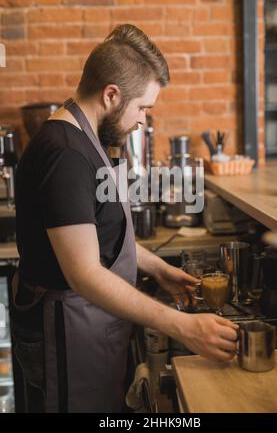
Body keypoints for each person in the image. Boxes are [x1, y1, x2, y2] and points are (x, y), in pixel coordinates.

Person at [11, 24, 238, 413]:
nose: (143, 121)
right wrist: (182, 326)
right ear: (111, 95)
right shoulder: (65, 154)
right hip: (64, 330)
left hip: (84, 324)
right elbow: (85, 272)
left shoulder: (88, 140)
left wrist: (157, 268)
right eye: (143, 108)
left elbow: (98, 237)